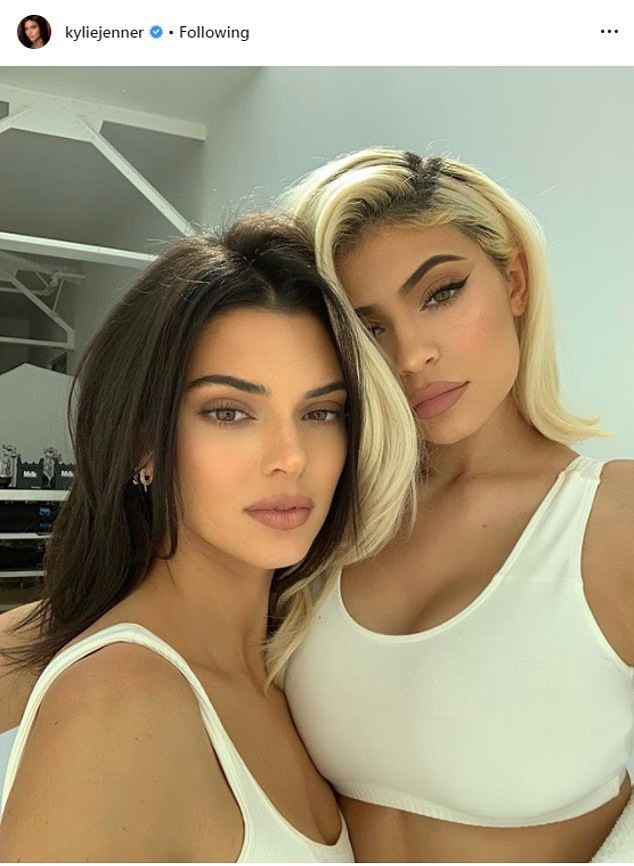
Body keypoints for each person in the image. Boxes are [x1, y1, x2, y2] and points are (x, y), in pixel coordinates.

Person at [0, 213, 419, 862]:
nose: (292, 458)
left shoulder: (297, 668)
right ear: (143, 445)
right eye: (229, 412)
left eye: (321, 412)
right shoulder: (120, 703)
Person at [280, 147, 634, 863]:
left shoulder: (613, 519)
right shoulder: (329, 521)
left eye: (440, 294)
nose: (411, 356)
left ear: (515, 282)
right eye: (369, 328)